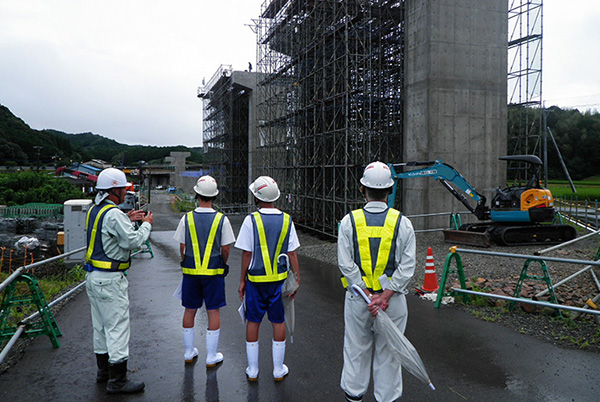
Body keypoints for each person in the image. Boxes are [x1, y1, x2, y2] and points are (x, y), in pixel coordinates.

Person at [337, 161, 416, 402]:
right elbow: (407, 266)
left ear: (363, 189)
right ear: (390, 191)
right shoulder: (403, 222)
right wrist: (384, 296)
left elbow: (345, 264)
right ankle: (387, 398)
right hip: (392, 303)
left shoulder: (349, 221)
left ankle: (354, 394)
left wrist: (366, 294)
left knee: (356, 349)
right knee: (390, 353)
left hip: (358, 300)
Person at [85, 167, 154, 394]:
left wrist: (126, 218)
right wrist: (146, 224)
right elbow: (132, 241)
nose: (125, 191)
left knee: (101, 327)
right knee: (117, 327)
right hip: (110, 280)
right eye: (123, 188)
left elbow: (109, 228)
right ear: (114, 190)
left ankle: (103, 372)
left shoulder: (95, 209)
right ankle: (118, 381)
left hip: (94, 278)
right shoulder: (114, 214)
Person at [235, 176, 300, 382]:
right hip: (279, 282)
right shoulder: (287, 220)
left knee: (253, 321)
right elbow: (292, 254)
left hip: (255, 280)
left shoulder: (250, 220)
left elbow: (246, 254)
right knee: (278, 321)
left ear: (256, 196)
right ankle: (278, 369)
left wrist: (242, 280)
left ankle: (253, 370)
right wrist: (296, 279)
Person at [173, 175, 235, 367]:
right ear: (215, 196)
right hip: (214, 273)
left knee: (189, 309)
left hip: (190, 273)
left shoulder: (187, 218)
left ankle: (188, 352)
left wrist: (186, 263)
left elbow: (182, 247)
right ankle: (211, 356)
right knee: (213, 310)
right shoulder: (221, 220)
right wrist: (223, 264)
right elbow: (226, 248)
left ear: (196, 194)